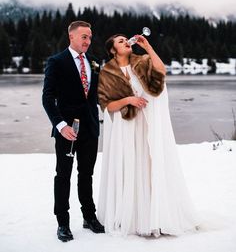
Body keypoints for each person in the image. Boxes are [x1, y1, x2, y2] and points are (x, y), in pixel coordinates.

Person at [97, 33, 199, 237]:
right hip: (125, 128)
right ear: (112, 50)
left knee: (146, 165)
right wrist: (128, 100)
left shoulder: (141, 61)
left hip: (145, 124)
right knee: (130, 167)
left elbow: (161, 72)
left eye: (127, 40)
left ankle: (154, 216)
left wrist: (149, 48)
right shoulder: (107, 71)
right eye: (120, 41)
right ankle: (133, 218)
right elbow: (107, 106)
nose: (126, 42)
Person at [42, 20, 104, 242]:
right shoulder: (56, 62)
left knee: (86, 174)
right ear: (72, 37)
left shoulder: (95, 62)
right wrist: (61, 126)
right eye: (84, 36)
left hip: (90, 128)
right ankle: (63, 223)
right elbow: (47, 98)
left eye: (90, 37)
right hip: (67, 130)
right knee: (63, 176)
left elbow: (97, 95)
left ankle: (89, 216)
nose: (88, 41)